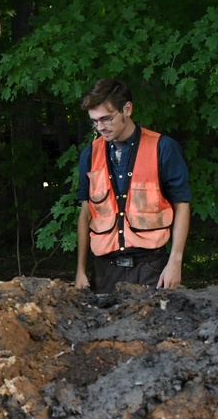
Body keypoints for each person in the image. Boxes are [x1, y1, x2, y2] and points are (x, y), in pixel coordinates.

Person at [75, 78, 191, 294]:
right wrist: (80, 270)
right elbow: (85, 214)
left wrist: (175, 262)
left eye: (106, 119)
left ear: (127, 109)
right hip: (105, 270)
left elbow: (181, 205)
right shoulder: (90, 155)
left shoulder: (162, 148)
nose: (100, 127)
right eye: (94, 121)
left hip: (151, 268)